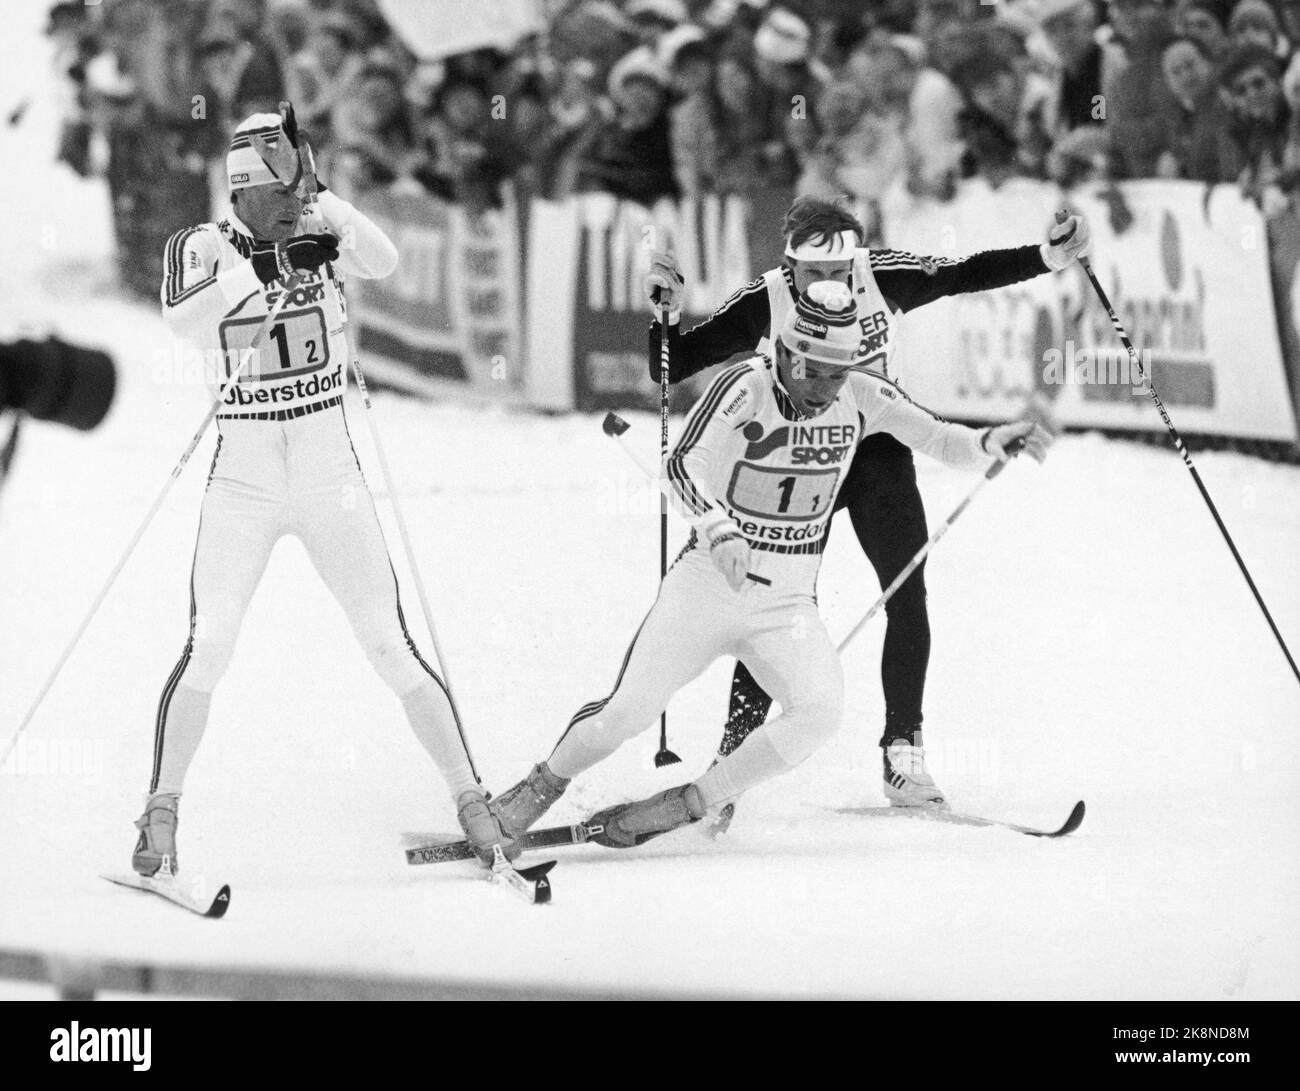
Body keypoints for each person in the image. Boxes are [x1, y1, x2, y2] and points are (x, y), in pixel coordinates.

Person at [488, 283, 1049, 848]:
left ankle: (690, 802)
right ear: (787, 353)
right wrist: (719, 526)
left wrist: (990, 442)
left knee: (819, 713)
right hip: (709, 583)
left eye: (839, 373)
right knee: (628, 713)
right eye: (816, 372)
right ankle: (534, 790)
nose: (828, 390)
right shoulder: (745, 386)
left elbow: (941, 440)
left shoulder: (860, 391)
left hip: (786, 605)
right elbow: (684, 464)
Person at [132, 108, 514, 878]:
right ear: (242, 192)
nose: (293, 206)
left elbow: (384, 259)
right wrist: (270, 268)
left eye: (298, 189)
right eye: (280, 194)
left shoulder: (319, 224)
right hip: (244, 473)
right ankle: (162, 808)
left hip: (326, 467)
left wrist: (325, 198)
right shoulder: (203, 244)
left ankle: (471, 794)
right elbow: (181, 316)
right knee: (211, 642)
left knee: (388, 639)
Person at [617, 195, 1088, 818]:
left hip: (874, 449)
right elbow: (667, 365)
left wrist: (1047, 256)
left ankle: (903, 755)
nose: (830, 286)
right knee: (775, 604)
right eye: (815, 275)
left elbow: (961, 273)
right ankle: (732, 762)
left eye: (840, 273)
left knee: (907, 593)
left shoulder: (879, 274)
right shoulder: (768, 296)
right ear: (790, 267)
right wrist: (664, 315)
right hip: (800, 455)